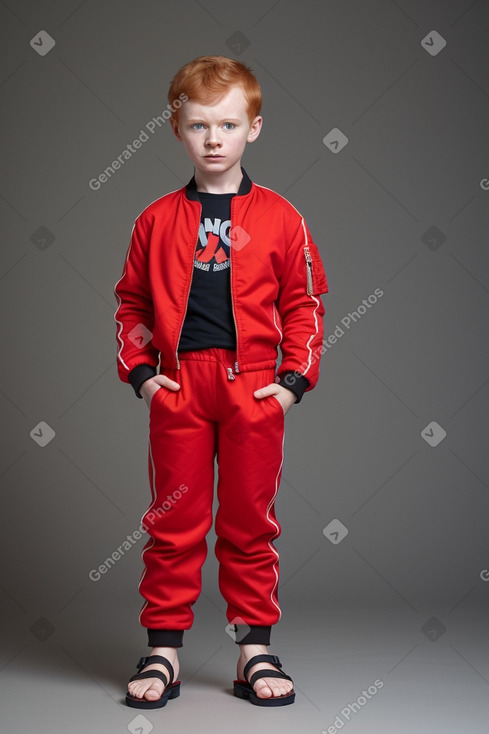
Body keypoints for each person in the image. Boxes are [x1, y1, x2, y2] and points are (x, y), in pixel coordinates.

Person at [113, 54, 329, 709]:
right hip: (179, 388)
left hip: (254, 388)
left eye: (228, 125)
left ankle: (252, 649)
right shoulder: (154, 220)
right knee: (172, 521)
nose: (213, 138)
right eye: (199, 125)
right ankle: (164, 651)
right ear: (176, 129)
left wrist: (293, 379)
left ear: (253, 129)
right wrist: (144, 375)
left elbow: (305, 302)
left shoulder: (281, 217)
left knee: (248, 522)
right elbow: (131, 305)